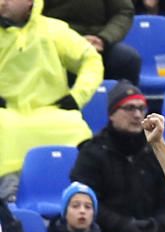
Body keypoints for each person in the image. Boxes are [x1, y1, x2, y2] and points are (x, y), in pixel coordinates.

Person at [71, 80, 165, 232]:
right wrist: (125, 226)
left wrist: (158, 225)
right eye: (129, 108)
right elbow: (88, 203)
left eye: (141, 108)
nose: (137, 115)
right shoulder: (92, 153)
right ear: (112, 114)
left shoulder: (156, 149)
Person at [0, 0, 102, 193]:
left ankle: (83, 195)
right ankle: (10, 201)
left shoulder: (53, 30)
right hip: (7, 116)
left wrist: (77, 97)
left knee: (79, 131)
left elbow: (90, 59)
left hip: (55, 115)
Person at [43, 0, 142, 84]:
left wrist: (103, 38)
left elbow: (123, 11)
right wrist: (68, 41)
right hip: (54, 42)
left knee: (127, 59)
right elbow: (33, 15)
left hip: (97, 41)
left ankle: (124, 104)